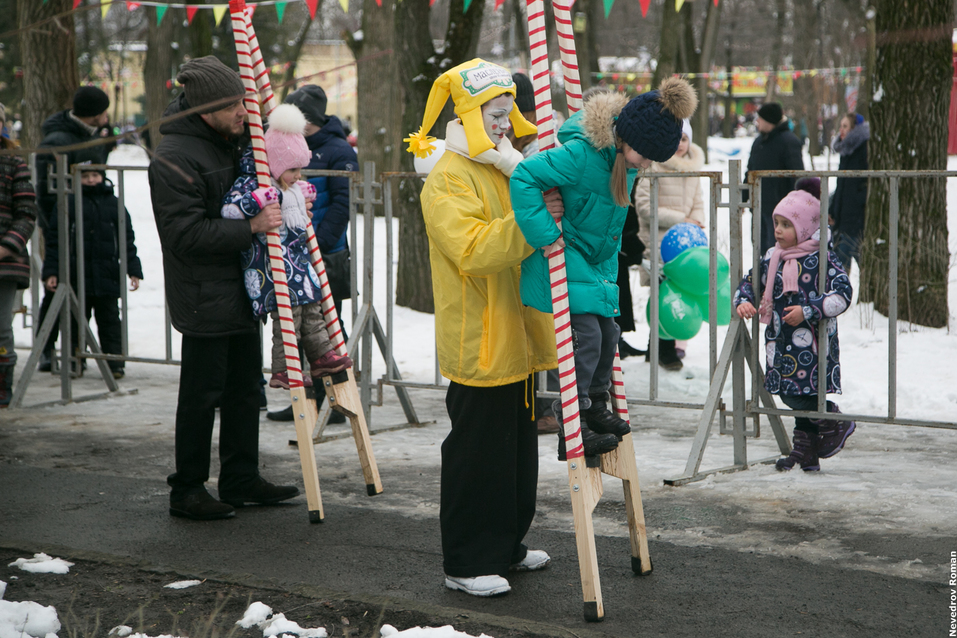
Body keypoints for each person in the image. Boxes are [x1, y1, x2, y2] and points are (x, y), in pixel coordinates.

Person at [408, 59, 556, 597]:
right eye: (494, 115)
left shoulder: (503, 166)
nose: (502, 125)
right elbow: (472, 250)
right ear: (470, 113)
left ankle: (506, 544)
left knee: (516, 453)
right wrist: (534, 221)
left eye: (507, 114)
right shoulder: (448, 177)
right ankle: (467, 559)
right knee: (478, 453)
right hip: (481, 338)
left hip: (517, 333)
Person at [511, 78, 698, 458]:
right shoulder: (581, 154)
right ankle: (571, 422)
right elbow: (524, 177)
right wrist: (546, 234)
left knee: (609, 336)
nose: (646, 164)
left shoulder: (626, 162)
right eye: (644, 155)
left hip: (595, 265)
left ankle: (595, 405)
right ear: (625, 138)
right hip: (564, 256)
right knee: (588, 339)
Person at [149, 55, 299, 521]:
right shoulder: (174, 157)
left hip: (242, 289)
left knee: (243, 390)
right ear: (205, 109)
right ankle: (187, 488)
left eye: (244, 101)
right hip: (202, 296)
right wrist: (253, 225)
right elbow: (185, 236)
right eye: (234, 104)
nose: (243, 111)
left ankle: (240, 477)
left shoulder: (233, 141)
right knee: (201, 395)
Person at [221, 103, 353, 387]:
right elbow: (230, 210)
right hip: (272, 266)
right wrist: (260, 199)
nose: (297, 176)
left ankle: (321, 357)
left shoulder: (289, 189)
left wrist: (298, 196)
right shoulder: (254, 183)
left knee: (314, 310)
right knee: (288, 318)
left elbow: (297, 211)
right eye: (293, 169)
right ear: (277, 164)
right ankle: (283, 368)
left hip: (297, 264)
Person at [733, 180, 856, 472]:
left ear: (804, 227)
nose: (777, 230)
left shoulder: (822, 259)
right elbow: (749, 283)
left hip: (813, 344)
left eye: (786, 224)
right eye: (776, 222)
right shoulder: (771, 257)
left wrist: (809, 311)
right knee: (792, 392)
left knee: (801, 393)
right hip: (781, 342)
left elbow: (843, 294)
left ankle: (834, 420)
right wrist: (744, 300)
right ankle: (805, 452)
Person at [267, 84, 359, 423]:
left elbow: (341, 203)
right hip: (294, 252)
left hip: (325, 252)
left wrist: (317, 244)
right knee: (298, 326)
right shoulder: (287, 147)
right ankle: (303, 400)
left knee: (327, 325)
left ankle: (335, 399)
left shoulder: (337, 150)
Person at [41, 154, 143, 379]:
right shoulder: (68, 203)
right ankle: (75, 360)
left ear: (103, 176)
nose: (90, 180)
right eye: (85, 176)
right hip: (77, 275)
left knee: (110, 322)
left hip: (107, 275)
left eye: (95, 175)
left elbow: (127, 238)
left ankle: (114, 362)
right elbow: (55, 240)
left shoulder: (113, 203)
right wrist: (52, 271)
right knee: (76, 322)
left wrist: (133, 268)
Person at [34, 86, 113, 372]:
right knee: (57, 286)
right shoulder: (58, 142)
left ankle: (76, 350)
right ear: (93, 115)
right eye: (103, 111)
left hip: (89, 224)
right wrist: (53, 227)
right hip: (61, 227)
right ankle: (45, 348)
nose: (107, 116)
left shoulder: (91, 136)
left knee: (83, 286)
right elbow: (43, 193)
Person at [634, 118, 705, 370]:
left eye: (684, 139)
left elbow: (697, 201)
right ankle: (663, 351)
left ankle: (660, 349)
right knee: (662, 296)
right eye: (675, 139)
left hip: (685, 244)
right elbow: (643, 206)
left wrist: (697, 224)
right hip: (658, 242)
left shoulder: (693, 167)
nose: (680, 144)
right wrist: (681, 220)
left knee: (678, 295)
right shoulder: (653, 165)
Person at [0, 104, 38, 407]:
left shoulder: (14, 163)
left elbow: (26, 213)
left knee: (0, 328)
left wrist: (6, 247)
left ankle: (2, 388)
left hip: (5, 263)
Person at [746, 102, 804, 256]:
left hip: (781, 211)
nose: (757, 121)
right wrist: (744, 197)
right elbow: (750, 171)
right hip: (759, 207)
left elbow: (797, 176)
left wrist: (796, 205)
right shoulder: (759, 142)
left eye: (760, 118)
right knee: (760, 249)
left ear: (769, 120)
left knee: (778, 250)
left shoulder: (789, 141)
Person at [829, 112, 869, 274]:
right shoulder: (847, 151)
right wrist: (832, 210)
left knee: (861, 264)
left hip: (857, 220)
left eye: (845, 126)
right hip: (843, 220)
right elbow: (842, 186)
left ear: (855, 130)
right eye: (841, 126)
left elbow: (860, 187)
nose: (841, 131)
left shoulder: (863, 150)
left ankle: (866, 298)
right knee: (840, 267)